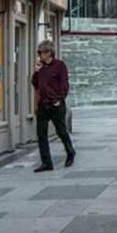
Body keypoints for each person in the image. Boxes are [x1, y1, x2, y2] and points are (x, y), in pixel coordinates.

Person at [31, 41, 75, 172]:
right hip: (43, 105)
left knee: (61, 131)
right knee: (41, 135)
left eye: (40, 52)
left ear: (49, 53)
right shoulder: (41, 67)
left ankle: (70, 152)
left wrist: (59, 100)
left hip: (56, 105)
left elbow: (64, 84)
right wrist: (36, 72)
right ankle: (46, 163)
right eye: (38, 52)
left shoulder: (60, 65)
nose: (39, 55)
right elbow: (35, 83)